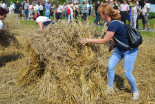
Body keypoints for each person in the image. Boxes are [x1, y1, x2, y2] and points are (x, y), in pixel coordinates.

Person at [80, 3, 139, 100]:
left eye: (100, 14)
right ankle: (110, 87)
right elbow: (116, 36)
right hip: (120, 48)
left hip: (130, 50)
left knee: (127, 73)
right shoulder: (111, 22)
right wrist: (112, 45)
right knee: (110, 66)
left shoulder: (113, 24)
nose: (99, 15)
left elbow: (104, 40)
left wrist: (88, 40)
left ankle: (135, 90)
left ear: (105, 14)